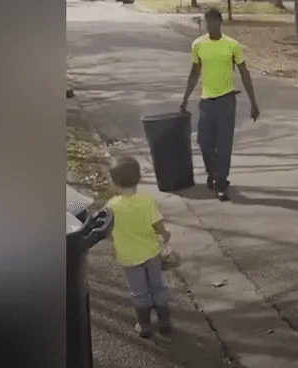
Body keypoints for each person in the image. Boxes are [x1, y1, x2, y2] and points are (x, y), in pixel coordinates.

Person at [180, 7, 260, 202]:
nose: (210, 25)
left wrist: (253, 102)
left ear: (220, 22)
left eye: (214, 21)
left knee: (223, 144)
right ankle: (214, 173)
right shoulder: (198, 45)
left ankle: (221, 182)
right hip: (206, 100)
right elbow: (194, 73)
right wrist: (184, 99)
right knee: (204, 142)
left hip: (226, 100)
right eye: (207, 22)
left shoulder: (232, 45)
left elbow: (244, 73)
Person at [105, 156, 173, 338]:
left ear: (113, 182)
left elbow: (107, 231)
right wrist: (166, 236)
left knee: (138, 291)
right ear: (139, 178)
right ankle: (164, 322)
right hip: (151, 254)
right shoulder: (146, 201)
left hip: (128, 257)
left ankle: (144, 326)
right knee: (158, 286)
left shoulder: (111, 207)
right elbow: (159, 226)